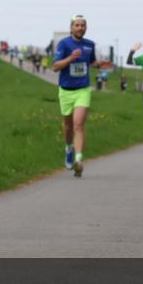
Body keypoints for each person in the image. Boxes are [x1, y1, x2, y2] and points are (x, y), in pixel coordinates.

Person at [51, 15, 97, 177]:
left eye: (83, 25)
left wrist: (99, 64)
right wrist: (71, 58)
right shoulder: (64, 44)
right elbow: (56, 67)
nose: (80, 28)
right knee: (68, 126)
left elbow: (91, 62)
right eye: (77, 25)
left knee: (78, 125)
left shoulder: (90, 45)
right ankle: (68, 149)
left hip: (83, 90)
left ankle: (78, 160)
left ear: (86, 28)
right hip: (65, 91)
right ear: (71, 28)